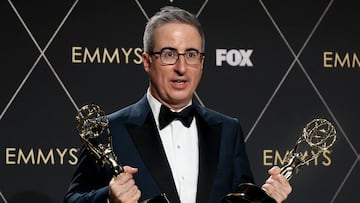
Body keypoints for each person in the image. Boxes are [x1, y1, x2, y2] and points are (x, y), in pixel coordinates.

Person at [64, 6, 292, 203]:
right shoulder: (107, 130)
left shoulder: (228, 130)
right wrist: (108, 198)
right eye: (169, 54)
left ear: (201, 63)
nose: (181, 67)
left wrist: (265, 199)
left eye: (191, 54)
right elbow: (73, 199)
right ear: (147, 61)